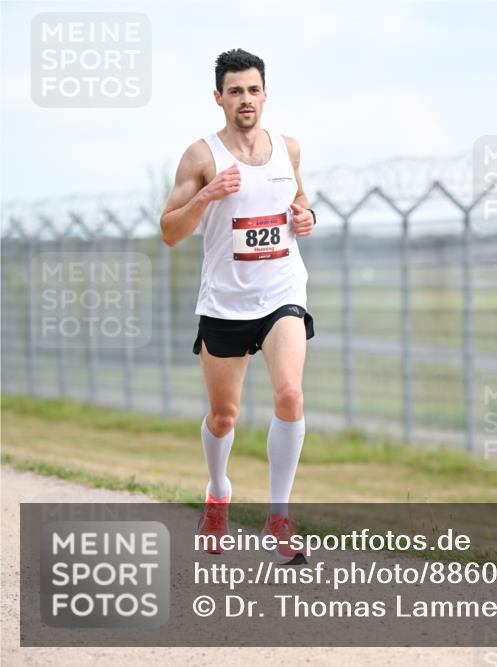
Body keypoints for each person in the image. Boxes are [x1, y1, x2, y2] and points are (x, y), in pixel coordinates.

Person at [159, 48, 315, 564]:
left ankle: (278, 517)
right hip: (225, 301)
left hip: (281, 292)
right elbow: (169, 232)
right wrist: (206, 198)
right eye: (235, 91)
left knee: (290, 394)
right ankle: (219, 493)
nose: (245, 100)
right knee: (224, 416)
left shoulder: (287, 148)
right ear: (219, 98)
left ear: (265, 93)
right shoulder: (201, 156)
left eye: (253, 90)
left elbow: (299, 203)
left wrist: (306, 217)